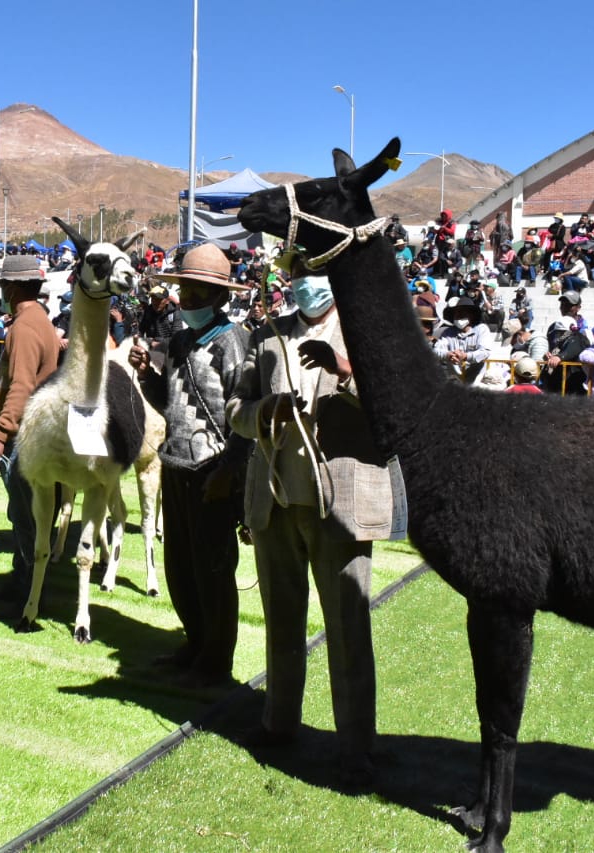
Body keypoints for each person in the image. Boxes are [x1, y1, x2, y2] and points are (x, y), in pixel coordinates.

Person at [224, 259, 399, 786]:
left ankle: (356, 746)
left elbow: (393, 405)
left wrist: (346, 370)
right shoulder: (267, 336)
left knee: (348, 627)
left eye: (312, 269)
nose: (303, 279)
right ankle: (279, 722)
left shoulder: (368, 328)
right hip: (276, 500)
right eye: (295, 269)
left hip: (338, 504)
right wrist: (261, 413)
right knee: (281, 618)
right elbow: (236, 405)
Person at [129, 243, 252, 687]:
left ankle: (216, 660)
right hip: (177, 465)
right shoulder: (180, 341)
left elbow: (245, 416)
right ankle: (195, 642)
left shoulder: (233, 342)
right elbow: (170, 405)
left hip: (213, 471)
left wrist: (230, 472)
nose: (190, 300)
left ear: (221, 298)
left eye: (200, 292)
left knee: (214, 568)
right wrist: (147, 375)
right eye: (186, 290)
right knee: (180, 565)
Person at [0, 254, 60, 599]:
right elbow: (34, 381)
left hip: (26, 436)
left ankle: (28, 588)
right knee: (35, 513)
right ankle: (28, 579)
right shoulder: (41, 320)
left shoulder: (23, 327)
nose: (4, 290)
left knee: (27, 515)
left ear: (12, 287)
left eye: (4, 284)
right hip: (39, 429)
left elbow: (23, 384)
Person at [433, 296, 492, 383]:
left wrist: (465, 356)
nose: (459, 316)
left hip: (476, 377)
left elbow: (485, 352)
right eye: (457, 313)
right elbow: (436, 350)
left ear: (471, 315)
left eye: (463, 313)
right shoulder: (448, 332)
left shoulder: (481, 329)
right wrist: (449, 354)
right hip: (454, 378)